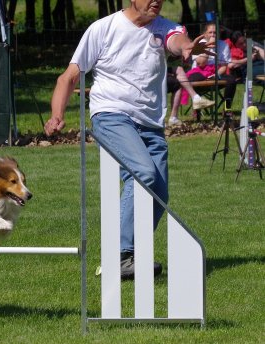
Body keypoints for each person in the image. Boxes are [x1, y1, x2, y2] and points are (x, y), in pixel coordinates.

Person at [44, 0, 214, 280]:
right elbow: (69, 77)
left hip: (150, 123)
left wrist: (186, 48)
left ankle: (131, 253)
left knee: (159, 193)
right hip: (111, 115)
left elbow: (177, 42)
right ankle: (121, 255)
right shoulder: (103, 29)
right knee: (142, 174)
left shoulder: (167, 28)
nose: (157, 1)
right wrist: (56, 115)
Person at [179, 22, 236, 109]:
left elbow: (224, 66)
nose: (213, 35)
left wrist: (215, 75)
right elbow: (201, 63)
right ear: (205, 34)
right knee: (192, 79)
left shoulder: (223, 45)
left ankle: (227, 108)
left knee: (231, 80)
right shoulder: (199, 43)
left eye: (215, 32)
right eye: (210, 32)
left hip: (215, 72)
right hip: (199, 72)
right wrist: (209, 46)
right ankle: (197, 107)